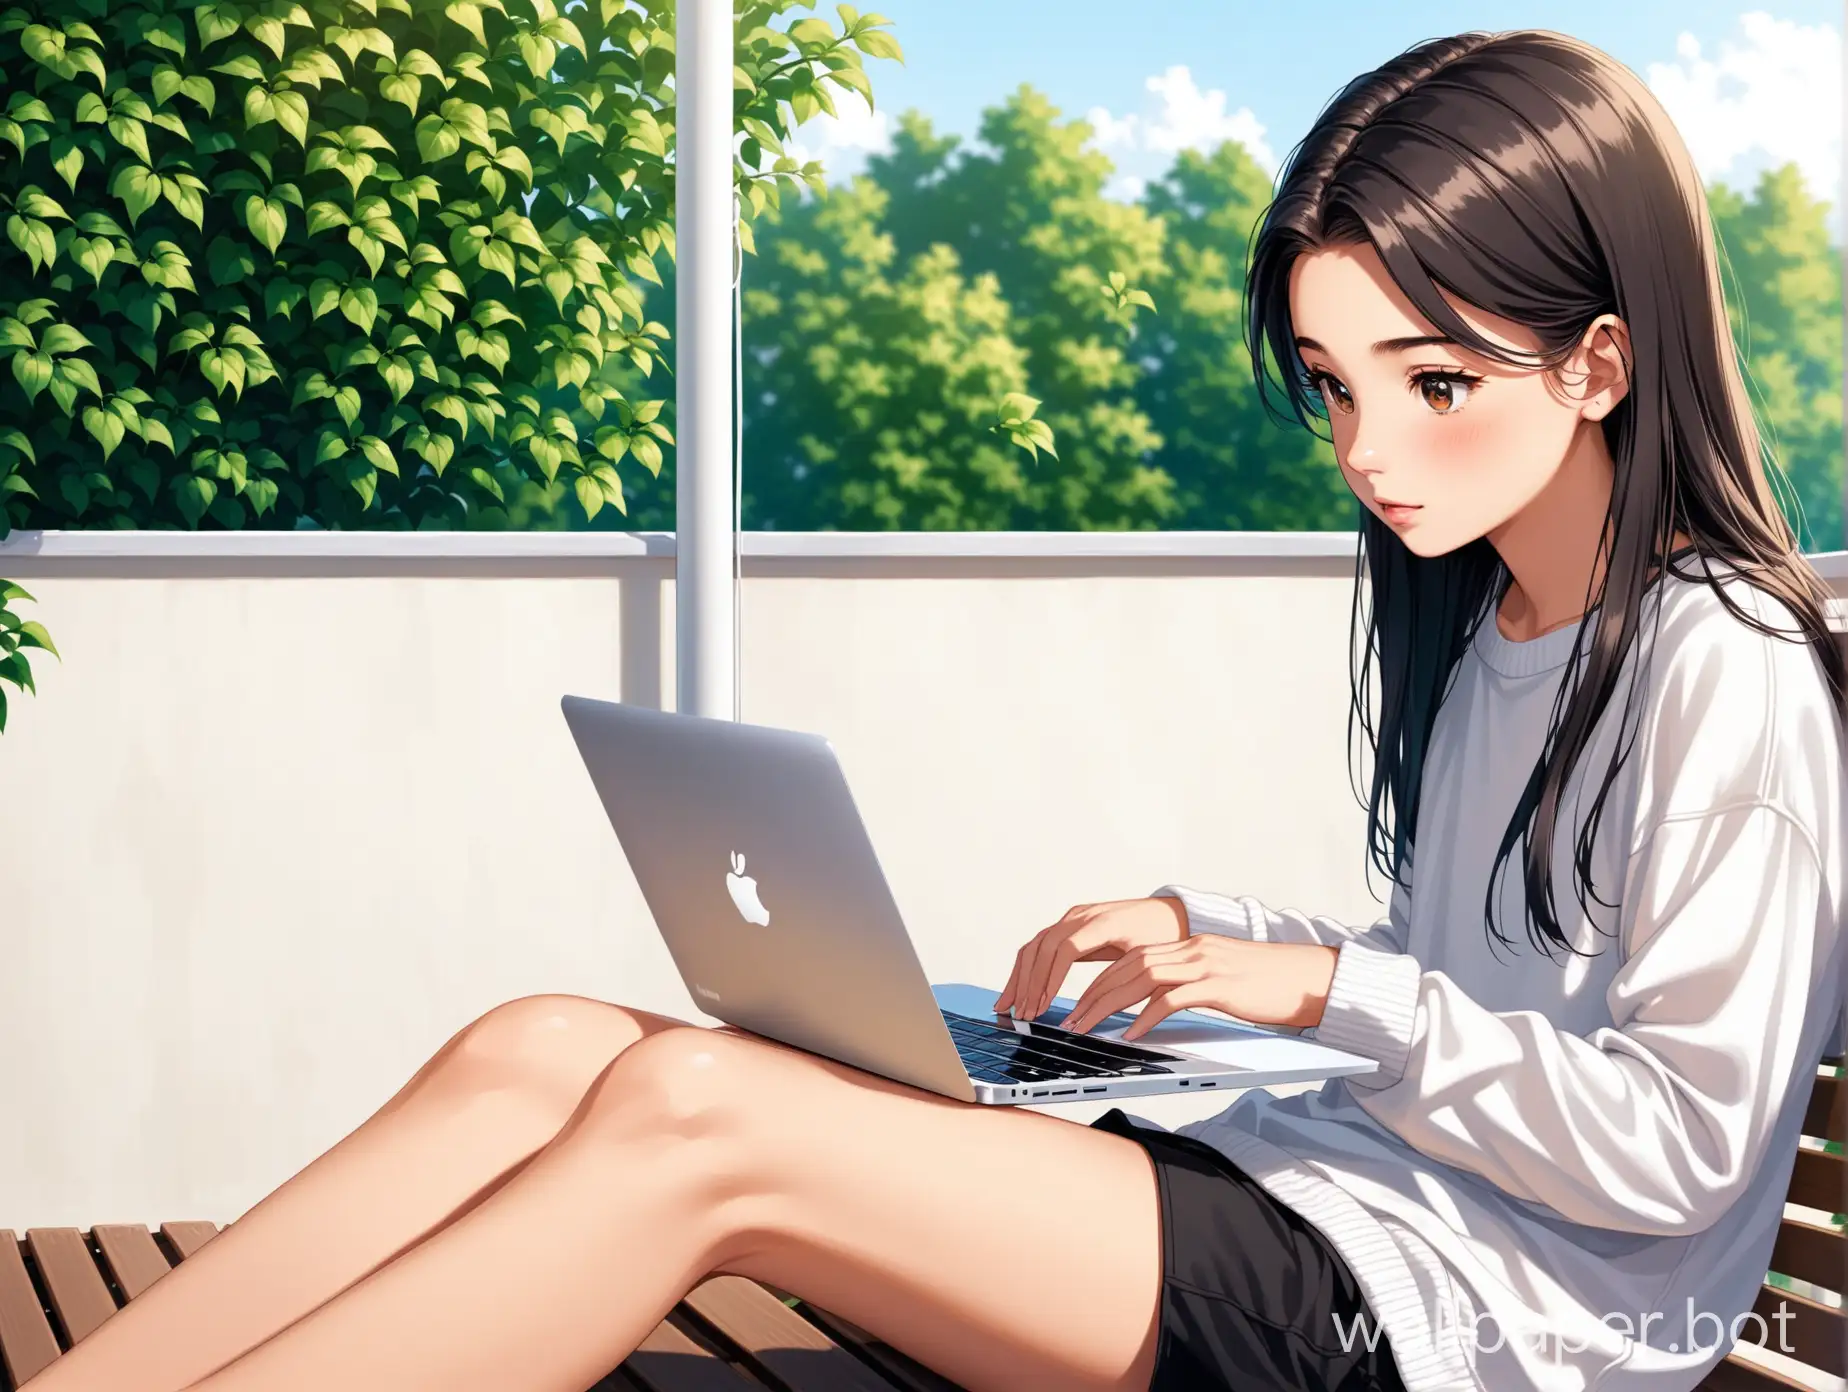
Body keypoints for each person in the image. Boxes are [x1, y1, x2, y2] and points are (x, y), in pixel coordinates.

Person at [25, 26, 1846, 1392]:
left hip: (1455, 1326)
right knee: (543, 1047)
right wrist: (1227, 943)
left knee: (691, 1114)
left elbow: (1676, 1147)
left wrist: (1332, 991)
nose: (1368, 450)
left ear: (1602, 359)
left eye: (1431, 379)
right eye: (1331, 384)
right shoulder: (1518, 619)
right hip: (1324, 1203)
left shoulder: (1723, 672)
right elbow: (1487, 977)